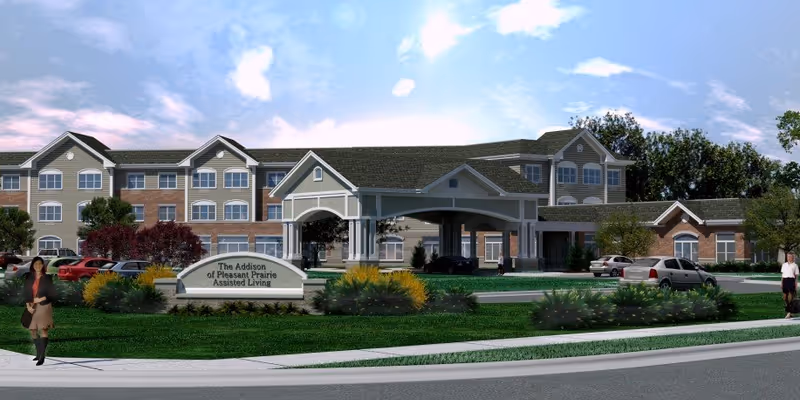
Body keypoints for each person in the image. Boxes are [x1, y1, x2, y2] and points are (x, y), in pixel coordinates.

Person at [22, 256, 57, 366]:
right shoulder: (29, 277)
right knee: (32, 330)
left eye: (40, 264)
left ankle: (42, 356)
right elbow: (26, 292)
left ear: (43, 266)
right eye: (36, 264)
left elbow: (52, 294)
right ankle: (38, 353)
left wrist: (40, 299)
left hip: (44, 305)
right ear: (32, 265)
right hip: (32, 304)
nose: (38, 266)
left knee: (43, 328)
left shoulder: (47, 278)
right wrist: (28, 306)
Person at [781, 253, 799, 319]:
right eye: (788, 256)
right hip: (785, 281)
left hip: (791, 281)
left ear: (793, 257)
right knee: (785, 297)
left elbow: (796, 276)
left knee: (790, 297)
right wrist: (781, 283)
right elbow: (783, 275)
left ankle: (789, 312)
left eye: (790, 257)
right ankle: (789, 309)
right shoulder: (784, 265)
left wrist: (796, 284)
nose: (789, 258)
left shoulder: (795, 265)